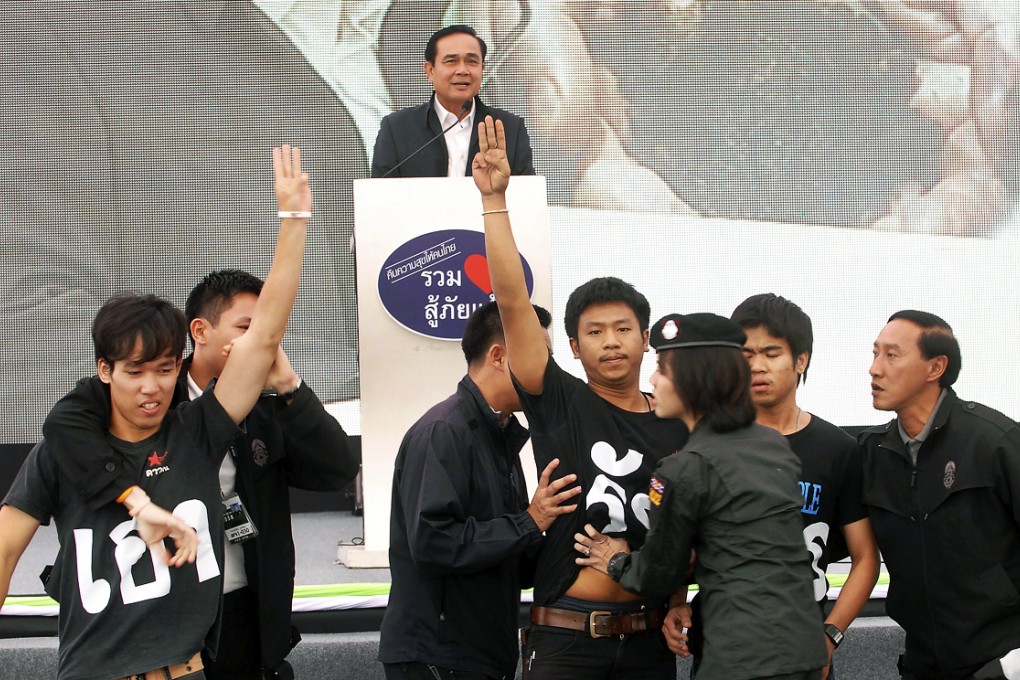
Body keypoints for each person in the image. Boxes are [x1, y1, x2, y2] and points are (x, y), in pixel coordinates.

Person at [0, 145, 311, 679]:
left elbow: (263, 337)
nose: (152, 387)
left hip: (187, 670)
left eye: (165, 370)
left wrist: (294, 221)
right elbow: (5, 551)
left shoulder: (198, 429)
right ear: (105, 370)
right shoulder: (65, 448)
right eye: (135, 372)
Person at [40, 269, 358, 679]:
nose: (263, 339)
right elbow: (64, 419)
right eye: (247, 328)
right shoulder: (152, 398)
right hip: (158, 608)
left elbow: (338, 469)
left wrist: (289, 385)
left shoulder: (266, 404)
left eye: (268, 329)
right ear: (200, 330)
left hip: (243, 601)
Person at [474, 115, 687, 679]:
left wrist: (684, 598)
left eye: (622, 329)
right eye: (594, 332)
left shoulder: (681, 426)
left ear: (646, 338)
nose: (611, 342)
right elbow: (513, 304)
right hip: (567, 636)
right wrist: (495, 201)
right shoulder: (560, 401)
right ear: (571, 347)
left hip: (651, 640)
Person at [575, 312, 828, 680]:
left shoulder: (683, 469)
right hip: (803, 649)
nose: (652, 379)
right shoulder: (774, 446)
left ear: (693, 381)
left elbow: (658, 573)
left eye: (662, 369)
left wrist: (615, 561)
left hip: (741, 655)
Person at [379, 301, 581, 680]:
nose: (549, 371)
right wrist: (529, 522)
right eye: (542, 355)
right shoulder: (443, 432)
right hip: (439, 658)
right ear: (499, 355)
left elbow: (510, 561)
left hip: (480, 654)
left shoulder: (499, 434)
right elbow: (433, 542)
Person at [723, 293, 879, 679]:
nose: (757, 366)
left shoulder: (837, 449)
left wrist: (830, 636)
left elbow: (865, 558)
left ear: (801, 360)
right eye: (745, 355)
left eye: (771, 353)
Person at [861, 310, 1020, 680]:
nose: (874, 369)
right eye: (874, 353)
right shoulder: (872, 454)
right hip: (923, 663)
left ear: (936, 367)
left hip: (1002, 660)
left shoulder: (994, 442)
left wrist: (1013, 664)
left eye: (891, 355)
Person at [372, 24, 534, 178]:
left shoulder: (510, 128)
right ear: (430, 71)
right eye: (451, 61)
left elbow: (527, 195)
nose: (463, 70)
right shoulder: (397, 128)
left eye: (472, 61)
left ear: (482, 69)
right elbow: (379, 195)